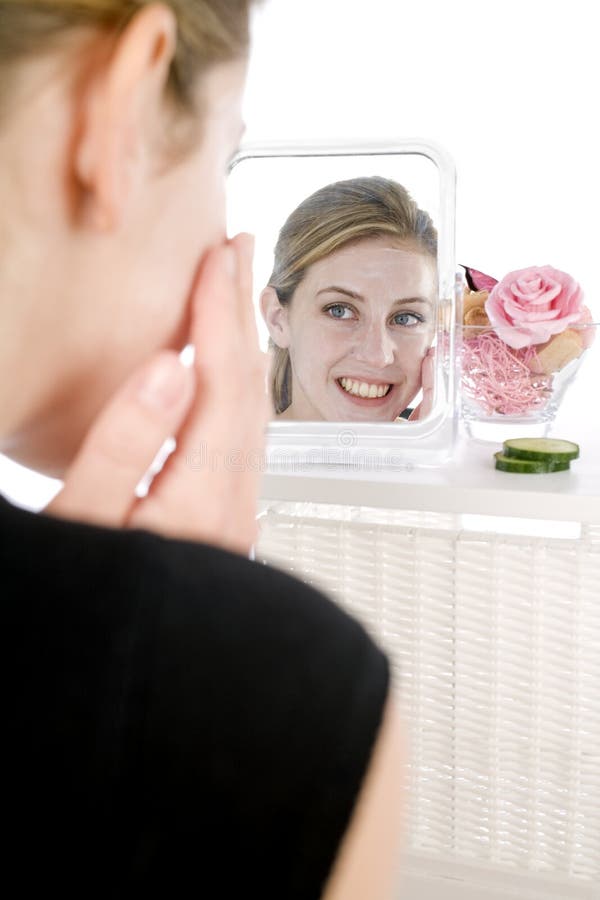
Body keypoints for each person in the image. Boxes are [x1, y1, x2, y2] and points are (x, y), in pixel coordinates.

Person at [0, 2, 405, 898]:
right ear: (123, 108)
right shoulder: (277, 692)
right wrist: (189, 673)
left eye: (407, 317)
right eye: (226, 158)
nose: (380, 353)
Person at [260, 176, 438, 421]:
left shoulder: (464, 455)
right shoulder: (216, 456)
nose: (378, 356)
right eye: (339, 310)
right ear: (277, 319)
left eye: (406, 318)